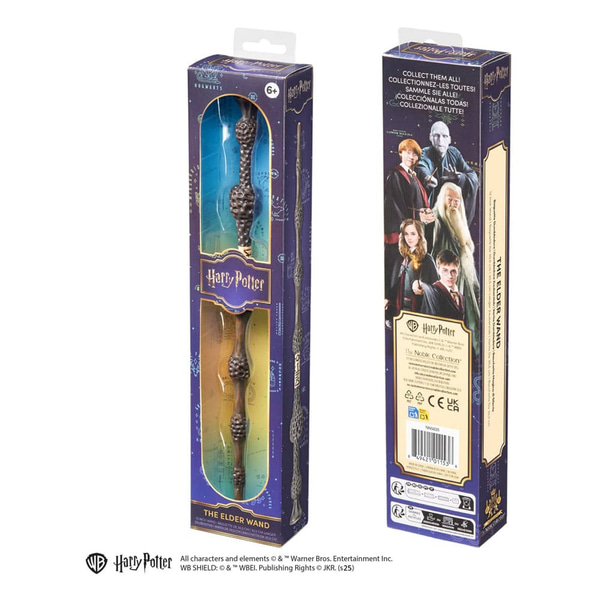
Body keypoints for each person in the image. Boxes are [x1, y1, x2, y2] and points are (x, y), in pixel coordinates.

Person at [384, 139, 435, 313]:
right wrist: (415, 221)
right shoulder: (395, 175)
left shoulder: (413, 176)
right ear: (400, 153)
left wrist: (425, 215)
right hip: (401, 234)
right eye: (407, 152)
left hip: (414, 232)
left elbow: (416, 203)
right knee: (396, 276)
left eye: (414, 154)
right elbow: (394, 205)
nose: (411, 157)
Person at [429, 182, 481, 355]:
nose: (453, 204)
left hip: (464, 282)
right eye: (449, 199)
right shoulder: (436, 219)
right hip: (446, 284)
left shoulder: (459, 220)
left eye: (456, 200)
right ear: (441, 198)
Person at [415, 121, 479, 225]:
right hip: (433, 210)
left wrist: (459, 178)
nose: (441, 140)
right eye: (437, 136)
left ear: (449, 140)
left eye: (444, 136)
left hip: (450, 208)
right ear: (430, 137)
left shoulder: (454, 153)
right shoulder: (424, 153)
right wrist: (427, 178)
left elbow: (472, 175)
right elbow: (422, 167)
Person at [386, 219, 438, 325]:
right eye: (406, 234)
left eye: (413, 234)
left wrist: (421, 284)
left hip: (419, 313)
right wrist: (388, 299)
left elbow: (436, 289)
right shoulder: (401, 258)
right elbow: (396, 285)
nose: (409, 238)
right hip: (400, 312)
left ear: (419, 236)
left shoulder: (427, 259)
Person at [417, 249, 465, 321]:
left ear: (458, 271)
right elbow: (428, 289)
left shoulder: (461, 297)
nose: (450, 276)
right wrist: (418, 284)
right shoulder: (434, 291)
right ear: (438, 270)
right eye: (445, 270)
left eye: (453, 271)